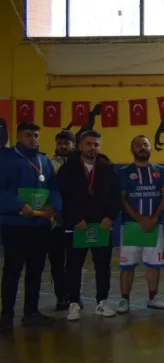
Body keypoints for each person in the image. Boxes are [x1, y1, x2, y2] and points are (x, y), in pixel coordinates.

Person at [0, 122, 61, 332]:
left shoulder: (44, 160)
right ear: (18, 137)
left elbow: (53, 188)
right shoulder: (5, 159)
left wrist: (53, 206)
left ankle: (31, 312)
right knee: (12, 270)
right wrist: (18, 206)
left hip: (40, 225)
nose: (33, 139)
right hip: (15, 225)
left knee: (36, 270)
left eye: (36, 135)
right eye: (28, 135)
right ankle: (7, 315)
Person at [58, 130, 121, 320]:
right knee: (74, 266)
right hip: (77, 225)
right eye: (88, 144)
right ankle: (74, 303)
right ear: (80, 145)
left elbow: (116, 195)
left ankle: (102, 302)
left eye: (96, 144)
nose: (92, 147)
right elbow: (63, 196)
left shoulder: (108, 168)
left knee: (102, 266)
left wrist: (110, 217)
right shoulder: (67, 169)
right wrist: (75, 218)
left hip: (101, 225)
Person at [118, 135, 164, 313]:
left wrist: (153, 218)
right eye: (138, 145)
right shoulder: (124, 172)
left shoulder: (161, 171)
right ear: (132, 149)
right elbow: (122, 198)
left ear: (150, 148)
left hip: (154, 225)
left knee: (153, 264)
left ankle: (153, 297)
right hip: (130, 225)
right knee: (127, 265)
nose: (142, 148)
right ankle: (124, 300)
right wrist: (140, 219)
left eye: (145, 145)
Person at [48, 129, 74, 311]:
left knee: (74, 261)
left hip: (76, 221)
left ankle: (74, 296)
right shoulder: (48, 165)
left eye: (66, 143)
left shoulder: (80, 164)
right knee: (56, 262)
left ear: (73, 145)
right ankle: (61, 297)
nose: (63, 146)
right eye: (60, 143)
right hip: (55, 222)